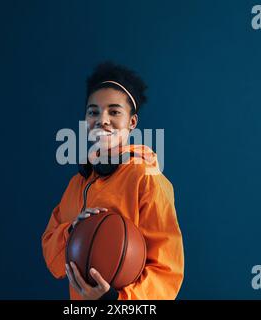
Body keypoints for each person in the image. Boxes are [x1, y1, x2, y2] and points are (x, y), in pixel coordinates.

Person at [41, 61, 184, 300]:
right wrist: (72, 230)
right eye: (93, 111)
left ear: (132, 122)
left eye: (114, 111)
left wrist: (115, 300)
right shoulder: (77, 183)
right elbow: (53, 259)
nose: (102, 120)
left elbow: (168, 271)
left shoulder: (146, 179)